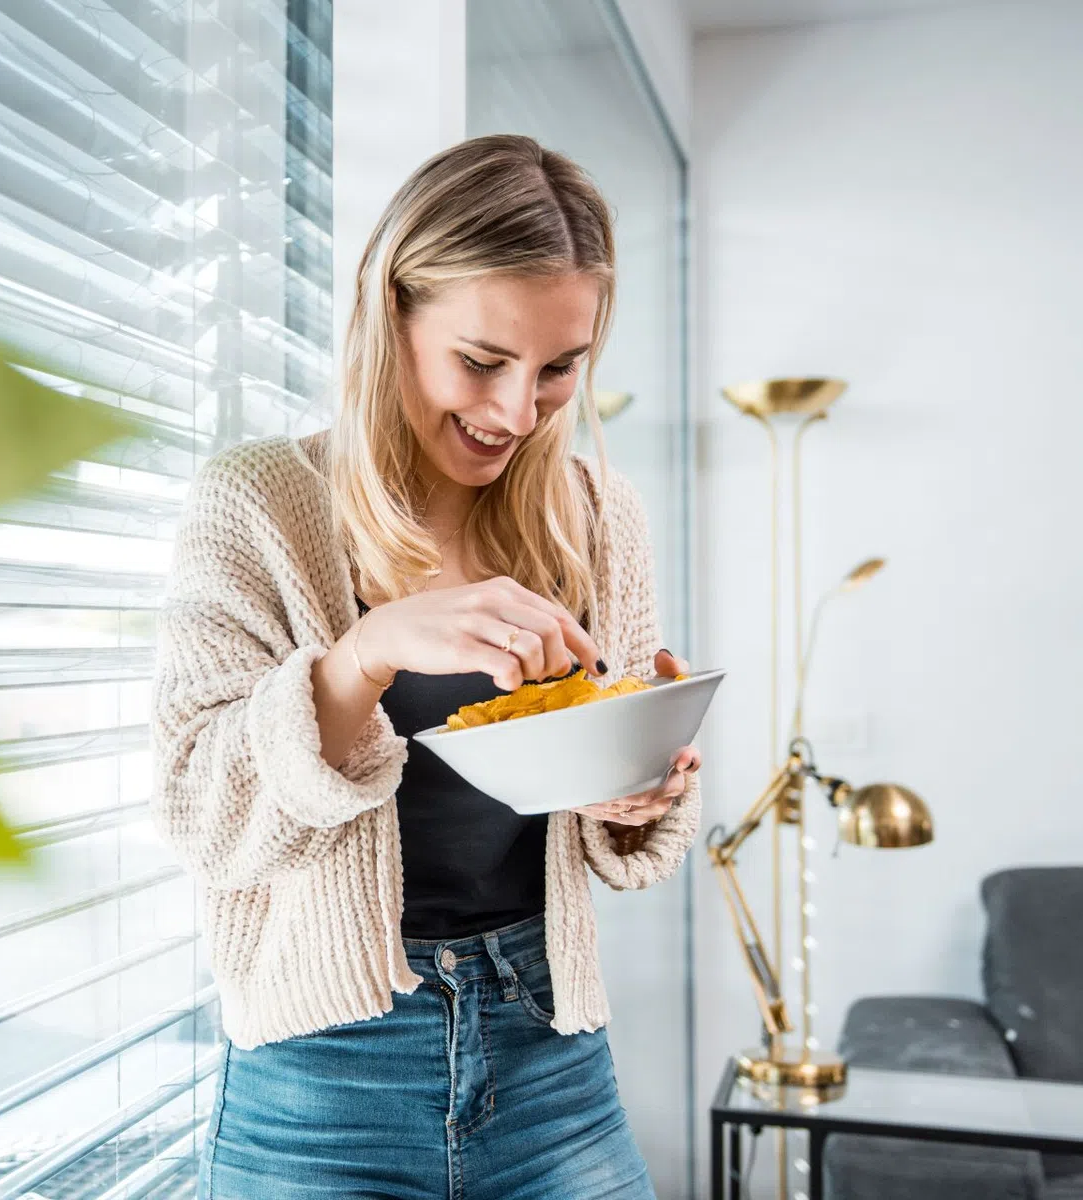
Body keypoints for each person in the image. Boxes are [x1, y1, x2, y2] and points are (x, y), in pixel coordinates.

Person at [150, 134, 703, 1199]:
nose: (512, 411)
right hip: (322, 1073)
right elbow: (200, 816)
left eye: (558, 369)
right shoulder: (259, 506)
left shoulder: (597, 517)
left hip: (550, 1051)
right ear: (388, 310)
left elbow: (611, 834)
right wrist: (362, 658)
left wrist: (638, 789)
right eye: (482, 361)